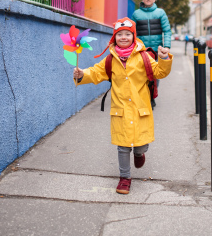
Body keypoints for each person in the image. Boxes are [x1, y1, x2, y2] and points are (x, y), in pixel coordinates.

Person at [73, 18, 173, 195]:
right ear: (114, 37)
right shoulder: (110, 59)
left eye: (127, 34)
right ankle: (124, 178)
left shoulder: (144, 56)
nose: (124, 37)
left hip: (140, 108)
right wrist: (82, 74)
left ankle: (139, 153)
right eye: (120, 34)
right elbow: (96, 72)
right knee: (122, 146)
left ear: (133, 36)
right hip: (120, 110)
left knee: (141, 144)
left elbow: (160, 72)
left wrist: (164, 58)